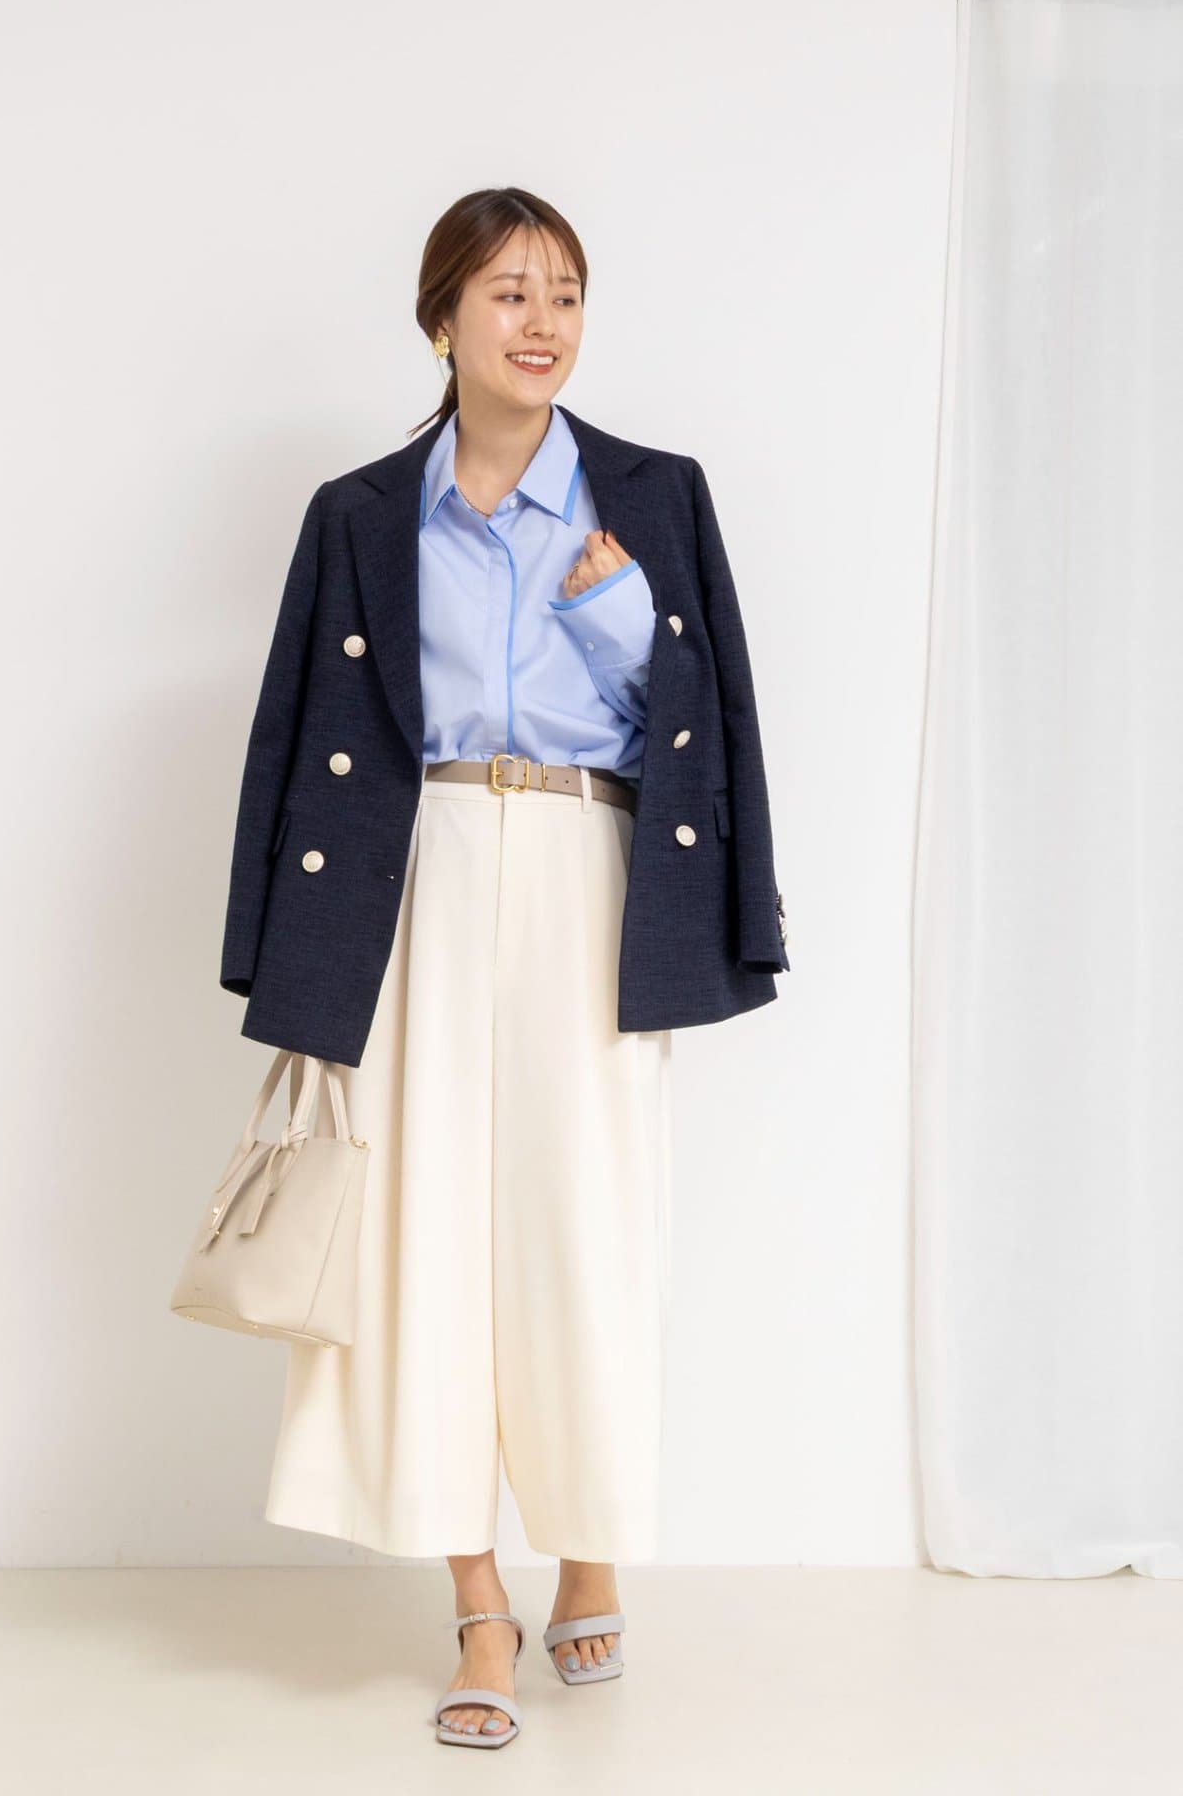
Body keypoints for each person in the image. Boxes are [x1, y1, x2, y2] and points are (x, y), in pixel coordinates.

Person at [219, 186, 789, 1749]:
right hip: (418, 877)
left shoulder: (654, 495)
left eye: (565, 294)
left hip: (594, 874)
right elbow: (293, 730)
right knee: (424, 1236)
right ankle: (479, 1604)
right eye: (509, 293)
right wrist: (279, 954)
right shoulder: (361, 512)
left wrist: (618, 618)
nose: (542, 324)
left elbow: (710, 721)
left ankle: (589, 1549)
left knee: (581, 1225)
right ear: (443, 320)